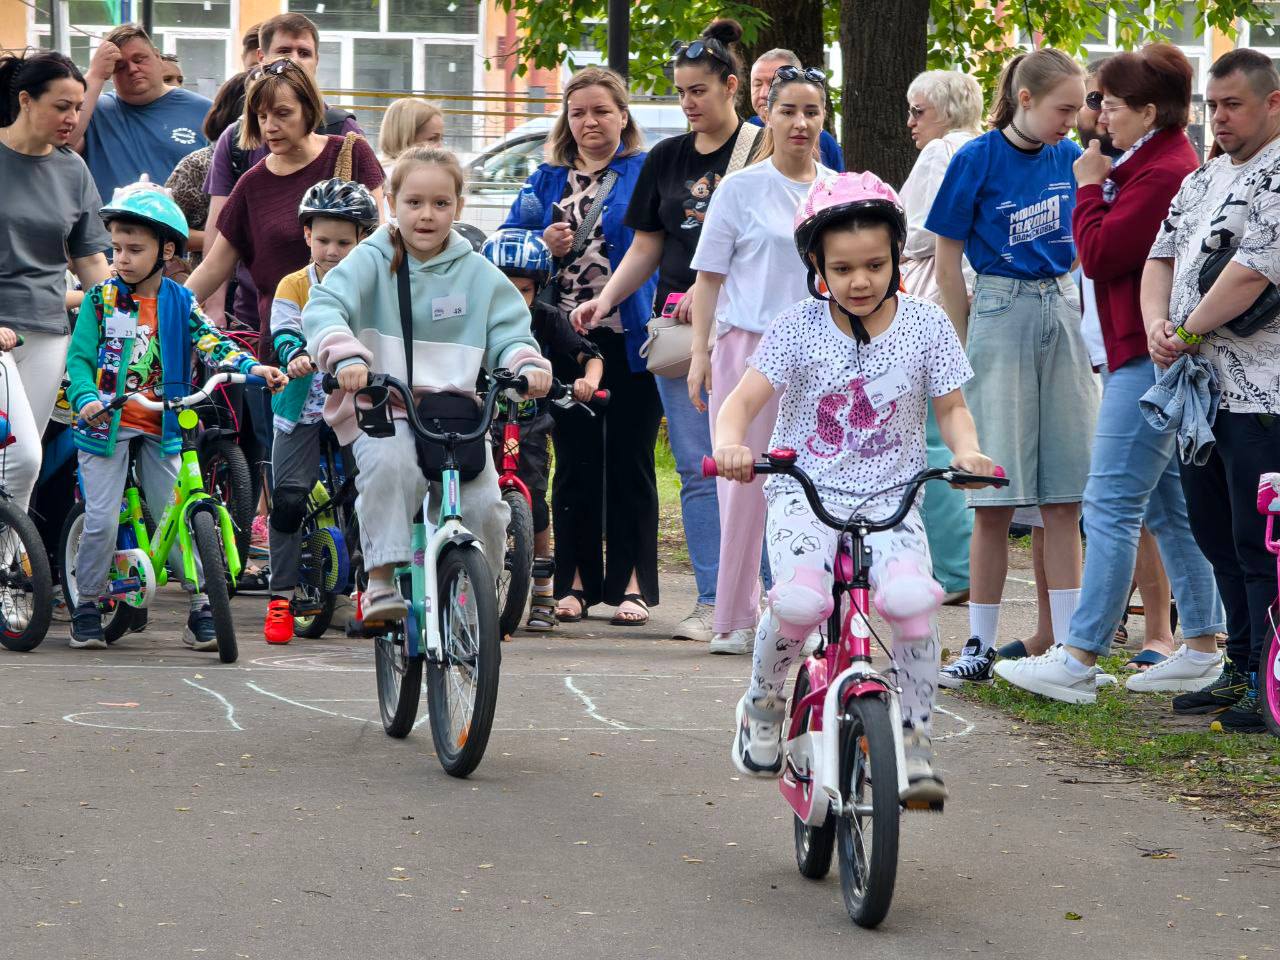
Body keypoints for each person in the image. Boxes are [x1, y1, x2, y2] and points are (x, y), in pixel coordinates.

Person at [712, 171, 991, 799]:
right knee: (800, 603)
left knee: (915, 605)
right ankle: (763, 702)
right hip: (804, 495)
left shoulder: (927, 325)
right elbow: (742, 402)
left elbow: (952, 409)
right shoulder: (797, 328)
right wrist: (731, 444)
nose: (859, 280)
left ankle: (915, 738)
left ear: (896, 258)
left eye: (873, 264)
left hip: (893, 500)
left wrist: (967, 452)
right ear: (818, 267)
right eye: (842, 269)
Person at [996, 43, 1224, 704]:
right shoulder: (1152, 161)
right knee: (1167, 506)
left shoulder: (1162, 171)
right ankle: (1204, 644)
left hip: (1142, 359)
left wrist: (1089, 186)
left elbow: (1098, 255)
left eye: (1112, 104)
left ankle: (1080, 653)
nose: (1100, 116)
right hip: (1134, 351)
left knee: (1110, 503)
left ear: (1150, 110)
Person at [303, 147, 553, 622]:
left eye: (441, 203)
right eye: (414, 202)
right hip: (385, 403)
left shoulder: (478, 272)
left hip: (454, 412)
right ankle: (380, 579)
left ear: (458, 207)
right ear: (392, 202)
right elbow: (325, 306)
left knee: (484, 505)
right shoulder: (370, 260)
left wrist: (526, 364)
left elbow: (510, 331)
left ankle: (470, 594)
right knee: (391, 464)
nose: (427, 214)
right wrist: (345, 353)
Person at [570, 23, 759, 638]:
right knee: (701, 466)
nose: (688, 104)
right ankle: (713, 602)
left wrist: (714, 293)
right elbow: (648, 245)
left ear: (733, 86)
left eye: (699, 90)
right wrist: (606, 300)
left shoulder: (763, 148)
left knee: (760, 466)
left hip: (754, 329)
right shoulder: (667, 158)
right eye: (680, 92)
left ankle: (770, 597)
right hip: (683, 337)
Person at [926, 48, 1098, 688]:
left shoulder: (1072, 160)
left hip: (1060, 307)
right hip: (996, 306)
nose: (1072, 118)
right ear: (1024, 99)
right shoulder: (976, 158)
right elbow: (947, 261)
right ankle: (977, 643)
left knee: (1064, 493)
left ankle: (1073, 648)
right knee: (992, 493)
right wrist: (967, 339)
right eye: (1063, 107)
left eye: (1078, 105)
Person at [64, 180, 285, 650]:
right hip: (107, 422)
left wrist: (252, 368)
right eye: (117, 248)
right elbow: (80, 359)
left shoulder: (179, 300)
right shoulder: (103, 301)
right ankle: (87, 601)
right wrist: (86, 398)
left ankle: (203, 606)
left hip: (163, 420)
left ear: (166, 251)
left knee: (181, 513)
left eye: (134, 249)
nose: (121, 258)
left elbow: (213, 341)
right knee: (102, 518)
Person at [1141, 48, 1280, 733]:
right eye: (1212, 106)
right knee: (1215, 532)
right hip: (1203, 393)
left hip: (1265, 397)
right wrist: (1156, 328)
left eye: (1233, 105)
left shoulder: (1279, 175)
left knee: (1262, 542)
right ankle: (1240, 663)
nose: (1218, 118)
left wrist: (1186, 330)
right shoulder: (1201, 179)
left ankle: (1269, 678)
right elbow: (1159, 256)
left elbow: (1254, 271)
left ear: (1273, 102)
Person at [504, 66, 662, 627]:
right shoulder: (545, 179)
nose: (589, 122)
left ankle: (635, 586)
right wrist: (540, 243)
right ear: (566, 120)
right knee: (570, 464)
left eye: (601, 110)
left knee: (630, 460)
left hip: (630, 336)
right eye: (578, 112)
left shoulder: (646, 172)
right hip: (561, 340)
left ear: (624, 114)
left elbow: (665, 244)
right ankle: (574, 583)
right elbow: (505, 252)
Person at [685, 63, 830, 654]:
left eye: (811, 111)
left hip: (819, 352)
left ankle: (805, 605)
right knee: (742, 482)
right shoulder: (741, 188)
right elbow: (709, 279)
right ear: (766, 113)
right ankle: (736, 615)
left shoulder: (834, 188)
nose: (800, 122)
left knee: (813, 482)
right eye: (788, 110)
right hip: (747, 348)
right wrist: (701, 353)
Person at [185, 59, 384, 361]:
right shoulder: (252, 184)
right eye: (261, 116)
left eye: (282, 113)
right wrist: (159, 312)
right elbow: (213, 267)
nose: (270, 126)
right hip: (282, 350)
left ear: (308, 108)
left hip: (355, 343)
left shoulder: (351, 152)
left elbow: (380, 246)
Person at [261, 178, 378, 644]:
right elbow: (286, 331)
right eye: (323, 240)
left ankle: (371, 590)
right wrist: (294, 355)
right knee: (289, 499)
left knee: (369, 494)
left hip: (358, 403)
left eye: (344, 243)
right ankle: (281, 597)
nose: (332, 251)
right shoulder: (294, 284)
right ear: (307, 235)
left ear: (363, 241)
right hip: (302, 404)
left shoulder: (374, 285)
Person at [0, 51, 111, 521]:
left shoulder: (72, 170)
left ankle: (9, 582)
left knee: (20, 467)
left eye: (78, 106)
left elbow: (90, 259)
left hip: (48, 333)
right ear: (26, 100)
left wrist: (125, 319)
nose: (73, 118)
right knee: (20, 457)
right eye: (61, 106)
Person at [481, 228, 604, 633]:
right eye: (504, 289)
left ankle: (544, 591)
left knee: (533, 502)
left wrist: (588, 379)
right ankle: (468, 587)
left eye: (524, 290)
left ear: (539, 289)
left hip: (528, 422)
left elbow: (589, 355)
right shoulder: (473, 317)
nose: (515, 300)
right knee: (471, 495)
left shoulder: (546, 319)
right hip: (479, 420)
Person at [899, 68, 984, 606]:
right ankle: (961, 561)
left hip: (935, 298)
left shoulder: (940, 153)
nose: (910, 122)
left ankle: (952, 568)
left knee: (934, 435)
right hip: (977, 297)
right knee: (958, 426)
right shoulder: (982, 148)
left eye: (918, 111)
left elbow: (920, 230)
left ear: (945, 111)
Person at [72, 23, 211, 202]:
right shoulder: (94, 111)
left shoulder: (205, 111)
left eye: (139, 59)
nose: (132, 69)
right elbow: (65, 143)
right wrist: (95, 74)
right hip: (109, 228)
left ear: (157, 56)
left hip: (181, 228)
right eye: (120, 66)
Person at [164, 72, 248, 276]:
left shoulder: (277, 162)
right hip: (208, 283)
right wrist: (229, 241)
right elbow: (165, 229)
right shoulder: (198, 164)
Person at [747, 49, 843, 171]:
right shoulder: (741, 136)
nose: (764, 93)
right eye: (758, 84)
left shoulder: (825, 143)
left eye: (774, 83)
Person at [378, 98, 445, 169]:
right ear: (405, 139)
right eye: (432, 139)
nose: (440, 148)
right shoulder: (400, 176)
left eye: (441, 139)